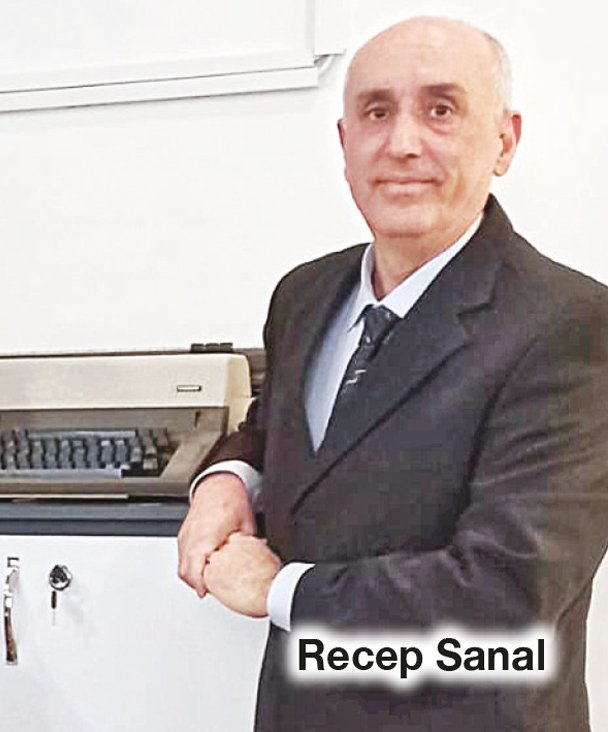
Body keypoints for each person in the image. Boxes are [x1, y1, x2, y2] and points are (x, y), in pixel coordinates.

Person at [176, 17, 608, 732]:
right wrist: (228, 481)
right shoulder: (303, 296)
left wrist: (281, 591)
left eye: (441, 109)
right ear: (345, 145)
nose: (403, 142)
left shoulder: (572, 323)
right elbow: (280, 429)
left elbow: (509, 589)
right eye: (377, 112)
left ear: (504, 141)